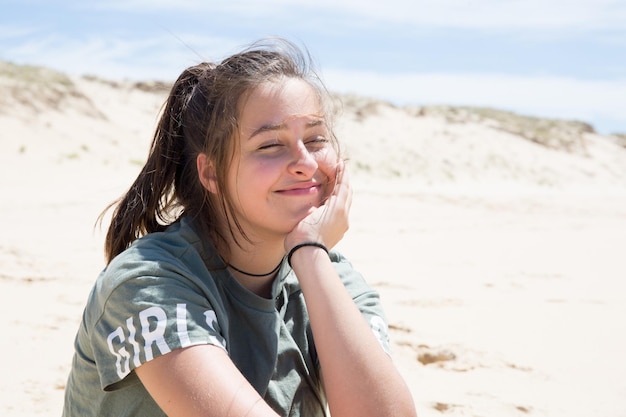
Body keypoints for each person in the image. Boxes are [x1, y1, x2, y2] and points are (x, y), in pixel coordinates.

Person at [62, 38, 417, 417]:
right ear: (211, 173)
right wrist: (312, 253)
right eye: (270, 145)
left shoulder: (333, 278)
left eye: (315, 139)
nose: (306, 164)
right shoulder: (147, 281)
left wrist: (310, 256)